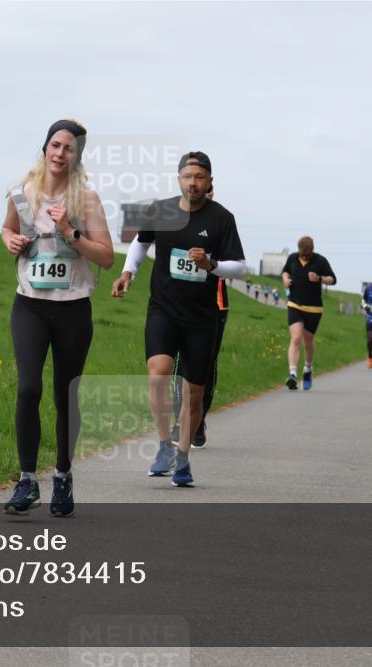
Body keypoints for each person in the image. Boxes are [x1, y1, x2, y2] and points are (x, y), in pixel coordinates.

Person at [0, 119, 114, 516]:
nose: (61, 153)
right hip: (29, 304)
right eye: (55, 145)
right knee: (29, 388)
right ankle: (27, 480)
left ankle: (63, 476)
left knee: (66, 396)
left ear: (77, 157)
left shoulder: (88, 201)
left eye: (69, 148)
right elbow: (6, 230)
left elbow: (106, 257)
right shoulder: (20, 193)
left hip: (73, 308)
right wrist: (9, 240)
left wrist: (70, 231)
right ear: (45, 148)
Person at [112, 151, 246, 487]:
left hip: (202, 317)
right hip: (164, 309)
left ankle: (183, 458)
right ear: (179, 180)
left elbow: (239, 266)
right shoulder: (162, 210)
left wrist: (211, 265)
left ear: (210, 181)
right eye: (187, 177)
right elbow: (141, 244)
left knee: (194, 393)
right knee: (157, 375)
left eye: (199, 177)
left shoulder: (222, 219)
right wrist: (128, 272)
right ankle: (163, 448)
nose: (193, 183)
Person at [169, 184, 229, 449]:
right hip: (179, 302)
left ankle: (199, 419)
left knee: (205, 365)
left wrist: (211, 261)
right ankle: (179, 421)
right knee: (179, 363)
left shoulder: (220, 222)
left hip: (214, 304)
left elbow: (233, 265)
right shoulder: (177, 219)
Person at [281, 236, 337, 391]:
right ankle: (292, 374)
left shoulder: (320, 261)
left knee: (308, 340)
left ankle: (308, 368)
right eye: (301, 253)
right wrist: (285, 280)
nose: (303, 256)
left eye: (306, 253)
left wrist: (319, 278)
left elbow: (333, 279)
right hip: (294, 305)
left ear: (312, 250)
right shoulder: (293, 258)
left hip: (314, 308)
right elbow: (285, 272)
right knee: (296, 337)